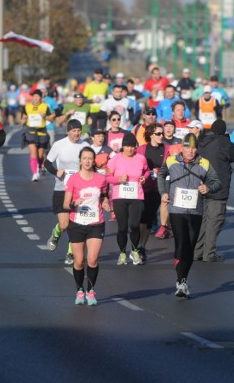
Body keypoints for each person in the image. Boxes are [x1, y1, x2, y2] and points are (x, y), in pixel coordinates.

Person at [158, 133, 221, 298]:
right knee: (181, 244)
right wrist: (163, 192)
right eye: (187, 148)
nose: (190, 151)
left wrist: (208, 188)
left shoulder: (205, 163)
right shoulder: (172, 160)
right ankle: (181, 282)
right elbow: (161, 174)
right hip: (177, 210)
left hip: (195, 211)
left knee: (190, 248)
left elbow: (217, 182)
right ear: (182, 148)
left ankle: (183, 280)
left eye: (193, 148)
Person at [64, 147, 111, 306]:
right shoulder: (73, 180)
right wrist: (74, 203)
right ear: (80, 160)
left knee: (92, 260)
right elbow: (66, 204)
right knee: (78, 262)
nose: (87, 161)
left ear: (93, 160)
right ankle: (79, 291)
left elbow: (104, 194)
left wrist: (105, 203)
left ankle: (90, 291)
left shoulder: (100, 179)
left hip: (96, 224)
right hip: (76, 223)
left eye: (90, 158)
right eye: (84, 158)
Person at [194, 119, 234, 262]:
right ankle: (209, 253)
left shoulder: (202, 141)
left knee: (204, 220)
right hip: (217, 186)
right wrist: (227, 139)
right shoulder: (223, 143)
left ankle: (197, 251)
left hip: (201, 183)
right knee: (215, 220)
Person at [44, 119, 90, 265]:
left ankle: (71, 253)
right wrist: (56, 172)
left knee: (75, 224)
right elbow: (47, 162)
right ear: (68, 131)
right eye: (74, 130)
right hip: (61, 189)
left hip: (79, 191)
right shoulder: (59, 145)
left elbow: (92, 163)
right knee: (64, 224)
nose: (77, 133)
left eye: (79, 130)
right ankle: (56, 234)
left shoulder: (85, 145)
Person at [106, 132, 149, 265]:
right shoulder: (115, 159)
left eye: (132, 146)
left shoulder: (141, 158)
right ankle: (123, 253)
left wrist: (144, 177)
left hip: (136, 196)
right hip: (120, 197)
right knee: (122, 227)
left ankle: (135, 251)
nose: (130, 149)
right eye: (127, 146)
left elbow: (147, 171)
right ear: (123, 147)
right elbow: (107, 178)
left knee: (135, 226)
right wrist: (118, 179)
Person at [136, 124, 169, 261]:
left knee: (148, 219)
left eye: (162, 133)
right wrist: (147, 173)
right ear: (150, 135)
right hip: (142, 188)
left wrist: (160, 172)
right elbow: (136, 166)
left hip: (157, 188)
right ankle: (137, 244)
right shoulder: (142, 149)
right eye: (158, 134)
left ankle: (142, 247)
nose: (161, 136)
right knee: (140, 220)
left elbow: (170, 167)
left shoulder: (166, 149)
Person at [21, 89, 55, 181]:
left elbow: (52, 118)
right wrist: (24, 120)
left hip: (42, 132)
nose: (36, 98)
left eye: (37, 96)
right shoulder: (27, 107)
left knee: (40, 156)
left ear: (41, 97)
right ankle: (35, 174)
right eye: (34, 96)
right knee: (33, 152)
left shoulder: (45, 106)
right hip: (30, 131)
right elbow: (23, 118)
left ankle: (39, 166)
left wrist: (45, 116)